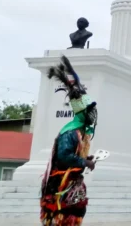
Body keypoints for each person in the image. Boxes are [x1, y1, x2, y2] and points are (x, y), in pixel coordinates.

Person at [40, 56, 99, 226]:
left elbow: (74, 155)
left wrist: (85, 159)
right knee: (62, 217)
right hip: (60, 184)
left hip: (72, 182)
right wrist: (84, 162)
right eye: (90, 111)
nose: (93, 114)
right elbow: (64, 156)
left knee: (74, 216)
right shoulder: (70, 133)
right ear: (82, 113)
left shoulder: (81, 132)